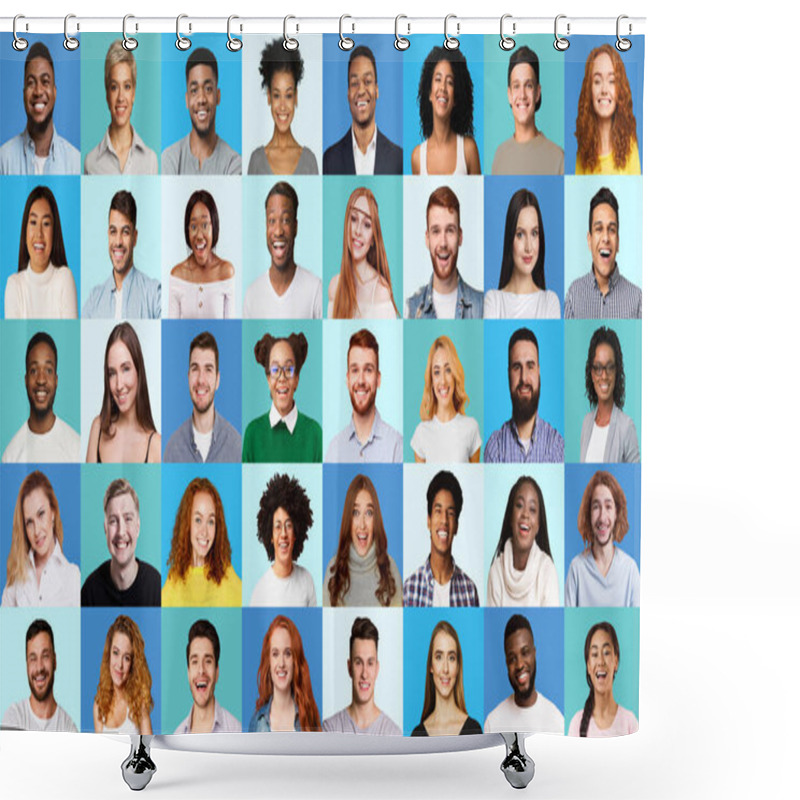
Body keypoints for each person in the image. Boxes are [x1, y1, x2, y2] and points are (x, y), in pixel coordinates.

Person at [243, 182, 322, 319]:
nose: (278, 231)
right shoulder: (252, 295)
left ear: (295, 227)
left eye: (285, 220)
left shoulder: (315, 290)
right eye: (272, 221)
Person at [484, 328, 564, 463]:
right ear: (508, 373)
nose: (524, 378)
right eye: (517, 367)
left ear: (538, 372)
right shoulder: (495, 447)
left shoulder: (556, 446)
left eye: (530, 366)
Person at [1, 470, 79, 607]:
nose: (37, 531)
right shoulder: (16, 578)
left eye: (41, 514)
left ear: (53, 512)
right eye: (29, 522)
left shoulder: (72, 577)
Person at [0, 41, 80, 175]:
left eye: (45, 81)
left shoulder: (75, 162)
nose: (38, 91)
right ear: (24, 93)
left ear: (54, 92)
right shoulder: (3, 159)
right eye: (31, 83)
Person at [86, 322, 161, 463]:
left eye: (125, 369)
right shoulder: (97, 428)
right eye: (112, 373)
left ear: (138, 371)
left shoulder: (156, 445)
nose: (119, 385)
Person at [242, 332, 322, 463]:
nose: (282, 378)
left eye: (288, 369)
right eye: (275, 370)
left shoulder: (315, 434)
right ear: (268, 379)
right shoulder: (252, 434)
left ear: (297, 379)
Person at [405, 186, 483, 320]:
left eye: (450, 230)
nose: (443, 243)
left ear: (460, 237)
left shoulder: (482, 306)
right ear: (427, 239)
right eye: (436, 231)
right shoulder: (411, 309)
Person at [403, 470, 479, 607]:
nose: (444, 520)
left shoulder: (469, 591)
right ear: (428, 520)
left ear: (456, 526)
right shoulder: (409, 590)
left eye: (450, 513)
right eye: (438, 511)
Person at [162, 477, 242, 607]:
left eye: (210, 522)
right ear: (187, 523)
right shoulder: (174, 579)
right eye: (198, 520)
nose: (204, 532)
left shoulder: (227, 574)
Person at [325, 328, 402, 463]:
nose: (361, 380)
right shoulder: (334, 449)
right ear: (348, 379)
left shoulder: (396, 446)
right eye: (355, 370)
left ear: (378, 379)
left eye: (368, 370)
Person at [324, 474, 401, 607]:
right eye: (355, 513)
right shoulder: (333, 571)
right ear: (349, 518)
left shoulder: (390, 568)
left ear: (375, 519)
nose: (362, 525)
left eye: (369, 513)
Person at [564, 187, 642, 319]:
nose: (605, 238)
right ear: (589, 240)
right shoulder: (574, 295)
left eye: (611, 230)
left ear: (617, 242)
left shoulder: (637, 300)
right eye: (599, 229)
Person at [164, 330, 242, 463]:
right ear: (188, 377)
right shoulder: (172, 448)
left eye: (208, 369)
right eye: (195, 369)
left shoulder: (236, 446)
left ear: (217, 380)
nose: (201, 379)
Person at [80, 478, 161, 606]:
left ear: (138, 527)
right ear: (105, 529)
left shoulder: (156, 586)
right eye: (113, 521)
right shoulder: (89, 591)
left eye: (128, 519)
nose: (121, 532)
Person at [323, 45, 402, 175]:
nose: (360, 91)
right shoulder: (330, 160)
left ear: (376, 90)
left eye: (367, 81)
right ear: (348, 93)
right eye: (354, 83)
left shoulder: (397, 159)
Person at [565, 471, 640, 607]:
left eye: (608, 506)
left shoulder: (630, 570)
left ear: (617, 512)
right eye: (596, 507)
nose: (602, 517)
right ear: (588, 514)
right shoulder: (576, 569)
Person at [82, 190, 162, 319]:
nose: (118, 242)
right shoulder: (93, 301)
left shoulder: (154, 294)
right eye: (113, 231)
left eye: (125, 232)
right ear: (108, 234)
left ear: (134, 238)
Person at [2, 332, 80, 463]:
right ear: (26, 380)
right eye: (34, 370)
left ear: (56, 380)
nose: (41, 380)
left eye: (48, 370)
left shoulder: (76, 448)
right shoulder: (11, 455)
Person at [162, 47, 242, 175]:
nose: (201, 99)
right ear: (187, 100)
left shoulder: (233, 164)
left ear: (218, 96)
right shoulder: (170, 159)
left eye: (208, 89)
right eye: (194, 90)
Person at [484, 189, 561, 319]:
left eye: (534, 233)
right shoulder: (494, 301)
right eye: (520, 234)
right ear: (510, 238)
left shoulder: (550, 301)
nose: (528, 247)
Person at [84, 39, 158, 174]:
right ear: (107, 94)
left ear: (134, 93)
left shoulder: (150, 160)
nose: (120, 97)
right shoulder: (91, 162)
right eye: (114, 87)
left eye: (127, 86)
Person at [5, 185, 77, 319]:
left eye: (46, 223)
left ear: (54, 232)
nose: (39, 233)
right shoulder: (14, 285)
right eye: (33, 222)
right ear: (25, 231)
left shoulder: (64, 279)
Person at [248, 39, 318, 175]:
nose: (282, 106)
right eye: (276, 95)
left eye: (288, 95)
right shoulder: (256, 160)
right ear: (269, 97)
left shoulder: (309, 161)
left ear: (296, 97)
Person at [484, 615, 564, 734]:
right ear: (506, 664)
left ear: (534, 653)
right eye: (512, 659)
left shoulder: (557, 722)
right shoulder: (492, 724)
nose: (520, 664)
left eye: (525, 653)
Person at [486, 477, 559, 607]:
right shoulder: (496, 571)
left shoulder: (547, 571)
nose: (525, 514)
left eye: (532, 509)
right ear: (510, 516)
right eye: (519, 505)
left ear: (538, 524)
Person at [492, 46, 564, 175]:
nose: (522, 95)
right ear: (509, 94)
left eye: (528, 85)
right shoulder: (500, 155)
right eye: (516, 86)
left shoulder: (558, 158)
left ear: (537, 93)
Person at [322, 617, 401, 735]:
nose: (364, 674)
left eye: (370, 663)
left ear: (377, 668)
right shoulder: (330, 729)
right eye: (358, 662)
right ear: (349, 668)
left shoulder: (392, 733)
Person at [328, 187, 398, 319]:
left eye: (366, 224)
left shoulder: (381, 292)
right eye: (354, 219)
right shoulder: (334, 287)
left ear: (373, 238)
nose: (358, 231)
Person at [410, 336, 481, 463]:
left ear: (455, 375)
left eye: (448, 370)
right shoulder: (421, 433)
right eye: (437, 372)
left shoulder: (471, 428)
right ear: (431, 380)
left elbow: (473, 481)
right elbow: (422, 482)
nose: (443, 380)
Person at [250, 473, 317, 606]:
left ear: (296, 533)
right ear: (270, 536)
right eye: (278, 526)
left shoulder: (306, 580)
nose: (283, 534)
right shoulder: (260, 591)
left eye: (288, 525)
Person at [412, 46, 480, 176]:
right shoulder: (417, 157)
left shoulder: (468, 149)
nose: (443, 87)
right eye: (438, 79)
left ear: (456, 98)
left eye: (450, 82)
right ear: (429, 93)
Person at [575, 44, 640, 175]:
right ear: (589, 89)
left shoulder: (630, 148)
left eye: (612, 81)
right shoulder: (583, 153)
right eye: (597, 81)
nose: (604, 90)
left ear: (619, 90)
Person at [1, 619, 78, 732]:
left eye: (45, 656)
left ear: (55, 661)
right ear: (26, 664)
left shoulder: (68, 728)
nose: (39, 667)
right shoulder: (13, 718)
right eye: (33, 658)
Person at [169, 190, 235, 319]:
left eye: (205, 225)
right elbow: (173, 334)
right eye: (193, 227)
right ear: (187, 230)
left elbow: (230, 333)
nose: (199, 235)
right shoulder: (177, 275)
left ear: (214, 227)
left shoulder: (226, 272)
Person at [248, 615, 321, 731]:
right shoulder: (257, 721)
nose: (281, 663)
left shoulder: (308, 717)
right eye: (275, 654)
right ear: (269, 661)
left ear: (295, 661)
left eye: (287, 653)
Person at [568, 621, 638, 737]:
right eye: (595, 654)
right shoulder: (576, 723)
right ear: (588, 666)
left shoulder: (630, 722)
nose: (600, 661)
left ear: (616, 661)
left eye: (606, 653)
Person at [411, 620, 481, 736]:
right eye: (439, 657)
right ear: (431, 666)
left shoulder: (474, 730)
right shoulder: (417, 735)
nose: (445, 669)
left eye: (451, 658)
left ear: (458, 666)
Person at [580, 327, 639, 462]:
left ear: (617, 371)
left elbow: (635, 479)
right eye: (598, 368)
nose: (604, 375)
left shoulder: (626, 427)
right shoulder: (586, 423)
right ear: (592, 373)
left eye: (610, 367)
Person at [175, 620, 241, 733]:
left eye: (208, 661)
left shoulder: (235, 730)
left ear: (217, 672)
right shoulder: (177, 735)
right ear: (188, 672)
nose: (201, 670)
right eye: (195, 662)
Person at [93, 615, 153, 734]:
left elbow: (150, 750)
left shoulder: (139, 705)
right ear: (108, 655)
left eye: (126, 658)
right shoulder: (99, 706)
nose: (119, 665)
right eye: (116, 653)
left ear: (133, 664)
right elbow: (99, 751)